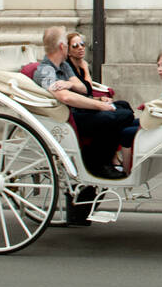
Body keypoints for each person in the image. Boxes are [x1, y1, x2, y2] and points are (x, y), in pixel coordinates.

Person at [33, 26, 138, 180]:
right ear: (62, 47)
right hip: (70, 116)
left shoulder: (64, 65)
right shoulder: (45, 70)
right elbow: (66, 98)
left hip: (79, 109)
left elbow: (82, 88)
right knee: (119, 116)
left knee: (123, 109)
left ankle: (106, 157)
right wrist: (100, 105)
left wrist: (70, 84)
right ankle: (96, 161)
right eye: (70, 45)